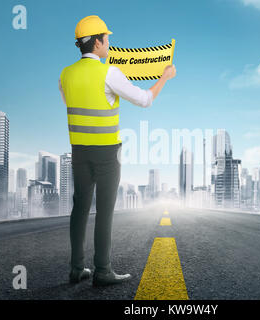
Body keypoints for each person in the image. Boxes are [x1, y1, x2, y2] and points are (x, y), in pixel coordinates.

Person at [59, 15, 176, 286]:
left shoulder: (65, 74)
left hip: (78, 151)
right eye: (107, 39)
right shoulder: (109, 73)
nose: (110, 43)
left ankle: (77, 269)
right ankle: (103, 271)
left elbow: (69, 101)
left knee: (80, 208)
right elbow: (145, 99)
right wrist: (165, 77)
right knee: (105, 211)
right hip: (107, 154)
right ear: (97, 42)